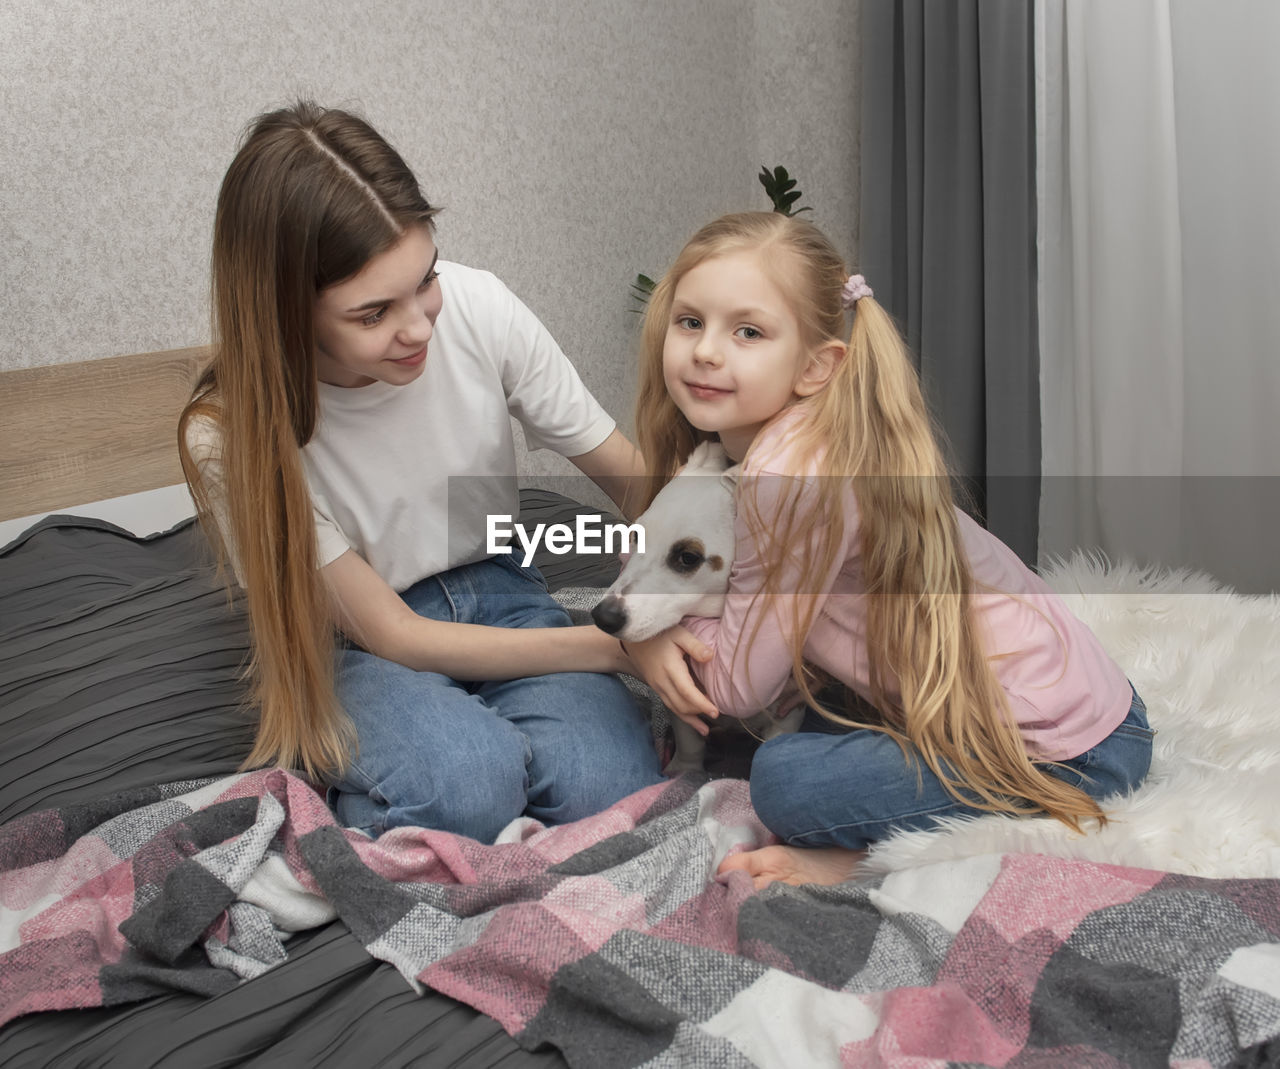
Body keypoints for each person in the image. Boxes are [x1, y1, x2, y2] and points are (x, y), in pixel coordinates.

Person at [179, 101, 664, 842]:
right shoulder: (228, 437)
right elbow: (396, 633)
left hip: (500, 581)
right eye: (373, 314)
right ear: (286, 314)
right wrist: (615, 648)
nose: (419, 328)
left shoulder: (480, 307)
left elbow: (632, 479)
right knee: (466, 787)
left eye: (426, 279)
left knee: (611, 790)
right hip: (359, 643)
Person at [623, 211, 1153, 887]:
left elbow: (734, 686)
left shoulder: (786, 477)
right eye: (690, 321)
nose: (704, 350)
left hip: (1073, 751)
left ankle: (866, 858)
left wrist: (650, 626)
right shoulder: (800, 436)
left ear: (816, 366)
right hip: (1091, 708)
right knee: (813, 716)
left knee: (784, 778)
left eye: (747, 331)